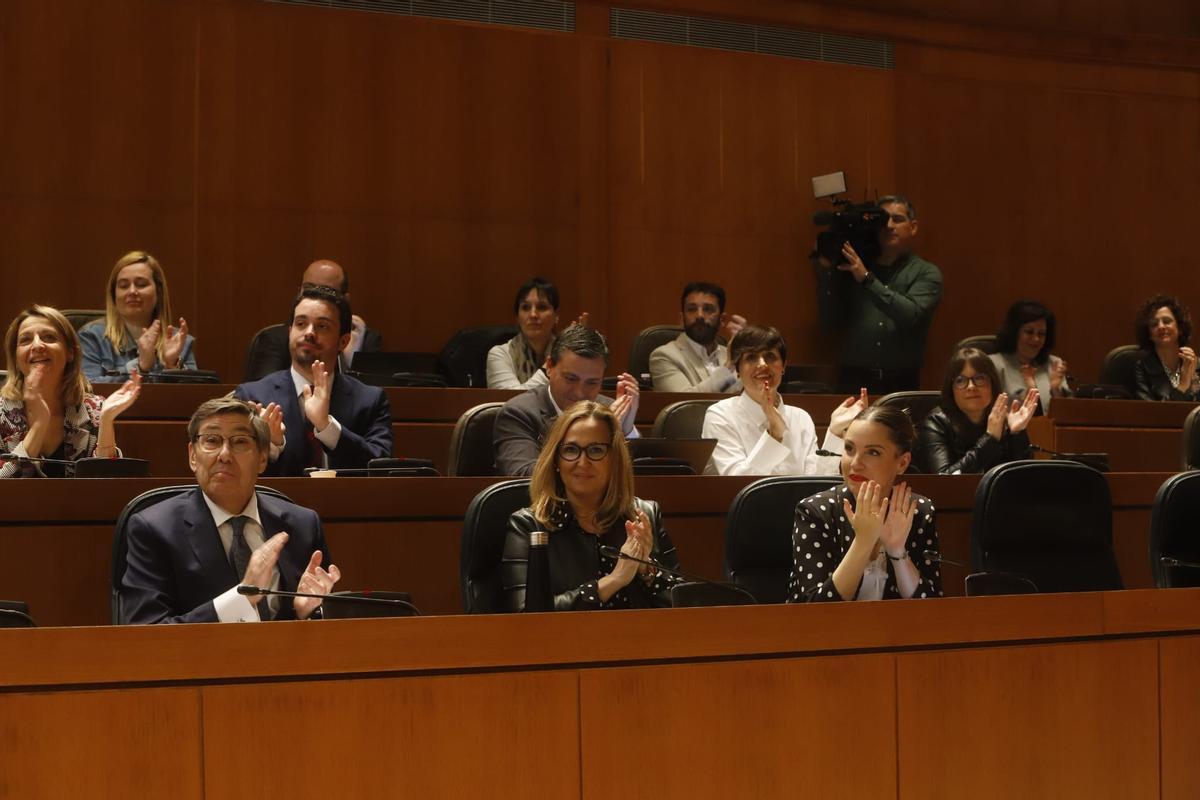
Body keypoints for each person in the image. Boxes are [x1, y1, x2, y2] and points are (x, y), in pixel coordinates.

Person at [119, 397, 341, 624]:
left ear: (263, 457)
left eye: (240, 442)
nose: (224, 455)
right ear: (193, 456)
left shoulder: (302, 525)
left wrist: (308, 614)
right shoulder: (154, 530)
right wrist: (241, 599)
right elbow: (145, 631)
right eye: (212, 440)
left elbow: (330, 628)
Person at [502, 401, 682, 611]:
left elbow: (683, 606)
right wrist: (613, 581)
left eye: (596, 450)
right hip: (566, 642)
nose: (582, 461)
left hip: (640, 640)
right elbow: (525, 613)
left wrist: (646, 569)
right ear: (556, 461)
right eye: (571, 450)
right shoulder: (528, 526)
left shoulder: (643, 515)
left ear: (615, 459)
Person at [787, 404, 942, 602]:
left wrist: (896, 551)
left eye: (873, 452)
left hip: (895, 631)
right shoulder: (815, 512)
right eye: (849, 449)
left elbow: (931, 607)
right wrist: (863, 542)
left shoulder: (918, 511)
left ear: (902, 463)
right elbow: (817, 610)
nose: (855, 463)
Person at [234, 284, 392, 476]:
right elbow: (238, 471)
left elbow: (379, 467)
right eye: (301, 323)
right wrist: (272, 447)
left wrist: (327, 427)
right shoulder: (253, 396)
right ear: (290, 331)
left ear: (343, 341)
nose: (309, 332)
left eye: (322, 326)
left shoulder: (370, 400)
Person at [813, 195, 943, 394]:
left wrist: (866, 279)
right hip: (852, 377)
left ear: (913, 227)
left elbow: (911, 315)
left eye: (898, 219)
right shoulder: (851, 268)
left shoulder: (926, 273)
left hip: (900, 380)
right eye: (883, 220)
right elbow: (831, 321)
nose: (889, 225)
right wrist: (828, 270)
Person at [702, 325, 867, 476]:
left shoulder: (800, 417)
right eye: (751, 358)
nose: (762, 365)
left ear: (784, 366)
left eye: (770, 356)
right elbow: (734, 483)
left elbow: (816, 483)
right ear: (737, 370)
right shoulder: (720, 415)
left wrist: (835, 432)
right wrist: (775, 436)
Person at [1, 305, 142, 478]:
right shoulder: (1, 412)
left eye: (49, 337)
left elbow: (107, 489)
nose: (37, 345)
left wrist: (106, 420)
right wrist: (39, 425)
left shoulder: (94, 409)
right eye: (25, 340)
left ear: (70, 352)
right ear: (15, 358)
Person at [493, 324, 640, 476]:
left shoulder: (610, 409)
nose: (579, 393)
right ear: (549, 367)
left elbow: (637, 478)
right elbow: (523, 475)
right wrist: (597, 435)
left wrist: (626, 431)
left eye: (592, 382)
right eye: (571, 379)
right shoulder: (518, 413)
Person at [79, 250, 196, 382]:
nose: (132, 291)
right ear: (114, 294)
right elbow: (87, 391)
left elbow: (194, 398)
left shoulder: (180, 341)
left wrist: (173, 366)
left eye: (141, 285)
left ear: (159, 291)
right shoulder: (91, 337)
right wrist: (140, 366)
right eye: (123, 286)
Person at [917, 348, 1038, 474]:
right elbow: (945, 479)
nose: (971, 387)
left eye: (979, 378)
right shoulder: (935, 423)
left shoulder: (1004, 421)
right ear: (951, 388)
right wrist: (990, 438)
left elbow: (1023, 478)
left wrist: (1017, 434)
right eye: (960, 380)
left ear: (992, 383)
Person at [252, 259, 383, 375]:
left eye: (327, 291)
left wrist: (349, 358)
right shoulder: (274, 339)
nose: (316, 297)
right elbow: (265, 392)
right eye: (309, 289)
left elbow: (369, 395)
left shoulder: (365, 338)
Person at [649, 281, 746, 392]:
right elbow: (683, 404)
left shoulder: (731, 355)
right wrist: (729, 366)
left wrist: (751, 353)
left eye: (708, 309)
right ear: (682, 319)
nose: (699, 315)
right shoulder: (664, 356)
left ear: (722, 319)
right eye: (691, 309)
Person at [989, 300, 1071, 414]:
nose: (1036, 339)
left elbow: (1066, 416)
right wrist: (1029, 391)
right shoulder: (993, 365)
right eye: (1029, 332)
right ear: (1014, 332)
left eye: (1041, 334)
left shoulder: (1054, 364)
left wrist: (1055, 389)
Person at [487, 277, 560, 390]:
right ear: (518, 317)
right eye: (526, 308)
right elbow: (511, 401)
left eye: (542, 307)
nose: (533, 315)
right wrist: (550, 366)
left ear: (556, 316)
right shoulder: (499, 355)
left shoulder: (568, 357)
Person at [1131, 294, 1199, 401]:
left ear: (1180, 328)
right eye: (1154, 324)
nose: (1161, 327)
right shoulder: (1141, 369)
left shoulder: (1195, 364)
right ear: (1149, 334)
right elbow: (1152, 414)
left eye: (1167, 321)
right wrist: (1183, 384)